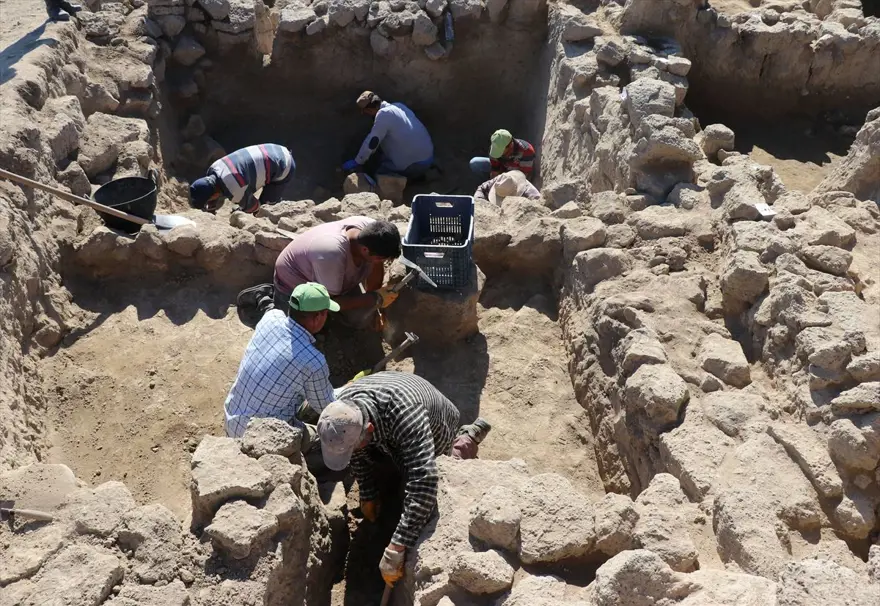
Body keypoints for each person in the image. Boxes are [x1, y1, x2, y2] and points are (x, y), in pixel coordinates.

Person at [316, 371, 491, 587]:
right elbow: (357, 451)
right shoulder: (344, 410)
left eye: (353, 447)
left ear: (368, 428)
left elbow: (424, 482)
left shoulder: (406, 418)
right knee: (382, 462)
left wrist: (397, 546)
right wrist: (367, 492)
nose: (351, 453)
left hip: (436, 424)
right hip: (392, 419)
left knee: (446, 471)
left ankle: (467, 438)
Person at [224, 282, 339, 440]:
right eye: (326, 313)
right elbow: (327, 408)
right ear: (318, 316)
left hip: (232, 418)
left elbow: (270, 310)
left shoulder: (271, 318)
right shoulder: (313, 361)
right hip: (257, 438)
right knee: (323, 438)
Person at [271, 216, 401, 328]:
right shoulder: (331, 254)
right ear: (365, 250)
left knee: (361, 317)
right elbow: (328, 303)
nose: (380, 262)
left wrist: (376, 306)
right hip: (294, 286)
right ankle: (266, 302)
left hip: (334, 277)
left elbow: (376, 265)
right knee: (305, 328)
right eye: (379, 259)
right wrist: (375, 299)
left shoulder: (374, 232)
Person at [342, 92, 434, 180]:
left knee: (379, 174)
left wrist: (358, 161)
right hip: (427, 157)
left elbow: (372, 142)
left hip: (415, 165)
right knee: (382, 156)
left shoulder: (383, 114)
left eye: (365, 112)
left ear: (369, 110)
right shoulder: (398, 106)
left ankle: (416, 180)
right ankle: (424, 173)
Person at [189, 144, 295, 214]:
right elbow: (212, 190)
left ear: (214, 194)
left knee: (264, 209)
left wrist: (245, 208)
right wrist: (211, 209)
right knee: (246, 193)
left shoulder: (234, 189)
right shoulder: (213, 169)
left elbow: (253, 206)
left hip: (284, 164)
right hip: (273, 149)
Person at [469, 129, 536, 180]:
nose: (498, 154)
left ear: (510, 146)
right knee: (474, 163)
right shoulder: (494, 148)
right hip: (503, 169)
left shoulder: (526, 151)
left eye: (501, 151)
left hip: (517, 174)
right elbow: (495, 169)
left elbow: (524, 176)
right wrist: (493, 182)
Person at [474, 170, 540, 204]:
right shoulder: (500, 180)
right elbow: (481, 188)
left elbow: (537, 203)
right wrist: (480, 202)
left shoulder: (530, 194)